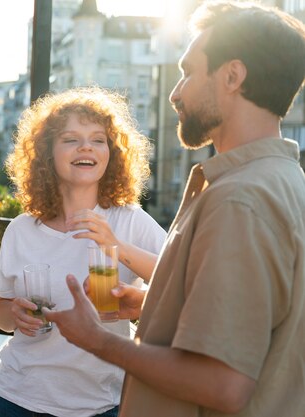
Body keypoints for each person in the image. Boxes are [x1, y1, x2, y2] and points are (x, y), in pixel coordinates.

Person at [45, 2, 305, 416]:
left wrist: (99, 339)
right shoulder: (281, 181)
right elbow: (257, 329)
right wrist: (154, 306)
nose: (175, 91)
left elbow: (223, 383)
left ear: (232, 76)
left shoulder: (240, 199)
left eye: (187, 71)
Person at [0, 86, 166, 417]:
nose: (86, 146)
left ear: (111, 152)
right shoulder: (22, 229)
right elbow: (0, 309)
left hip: (100, 405)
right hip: (17, 399)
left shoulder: (130, 220)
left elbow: (180, 278)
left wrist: (117, 247)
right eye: (71, 139)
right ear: (47, 153)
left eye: (98, 139)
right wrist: (14, 314)